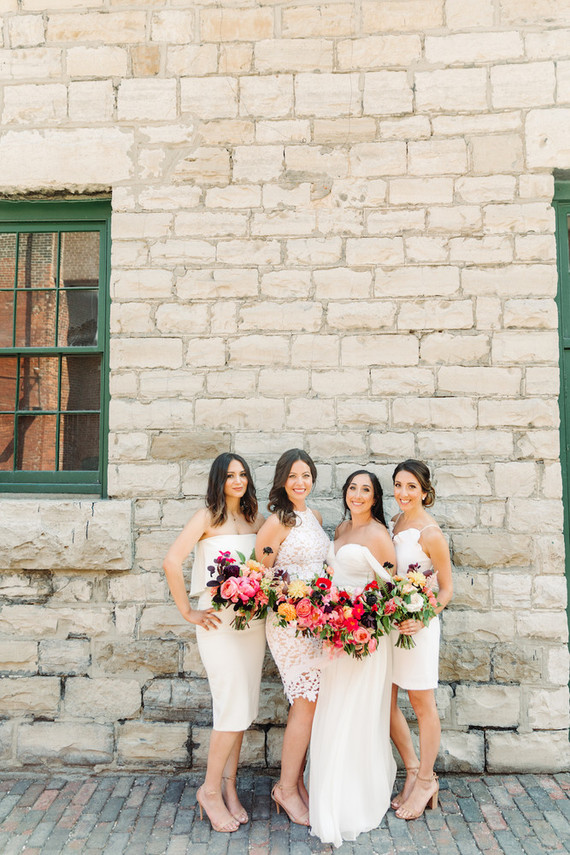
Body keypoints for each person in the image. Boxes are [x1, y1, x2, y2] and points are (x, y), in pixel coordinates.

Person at [163, 452, 265, 833]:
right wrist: (188, 611)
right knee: (230, 708)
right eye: (230, 475)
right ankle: (208, 790)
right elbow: (172, 561)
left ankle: (229, 787)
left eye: (243, 474)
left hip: (252, 626)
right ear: (218, 480)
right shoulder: (208, 516)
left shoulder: (256, 518)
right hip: (218, 626)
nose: (237, 480)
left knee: (243, 709)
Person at [309, 469, 397, 848]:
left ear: (375, 497)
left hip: (365, 640)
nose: (357, 495)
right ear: (345, 493)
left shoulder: (380, 536)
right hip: (335, 636)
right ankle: (330, 790)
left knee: (357, 713)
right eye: (352, 489)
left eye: (365, 490)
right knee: (333, 708)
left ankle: (355, 799)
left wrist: (360, 620)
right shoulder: (342, 531)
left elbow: (390, 590)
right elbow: (333, 577)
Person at [256, 449, 329, 827]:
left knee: (312, 703)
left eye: (306, 475)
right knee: (305, 701)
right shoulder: (276, 523)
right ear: (283, 481)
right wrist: (290, 600)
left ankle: (296, 780)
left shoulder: (314, 517)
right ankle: (285, 788)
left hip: (316, 623)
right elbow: (260, 579)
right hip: (288, 625)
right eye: (293, 476)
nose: (300, 482)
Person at [389, 459, 453, 821]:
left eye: (411, 486)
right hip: (393, 627)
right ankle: (412, 769)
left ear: (425, 492)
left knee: (422, 702)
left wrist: (422, 616)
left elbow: (446, 590)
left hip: (419, 628)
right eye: (398, 485)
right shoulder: (396, 523)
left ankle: (427, 779)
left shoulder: (430, 533)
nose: (403, 492)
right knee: (387, 701)